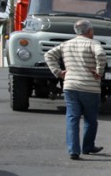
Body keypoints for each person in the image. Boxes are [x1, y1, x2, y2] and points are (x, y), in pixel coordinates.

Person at [44, 19, 106, 160]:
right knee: (90, 119)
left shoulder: (66, 44)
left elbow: (48, 55)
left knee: (72, 118)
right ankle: (88, 146)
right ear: (90, 31)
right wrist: (99, 71)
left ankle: (73, 150)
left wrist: (58, 72)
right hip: (90, 87)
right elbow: (101, 55)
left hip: (70, 86)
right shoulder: (93, 43)